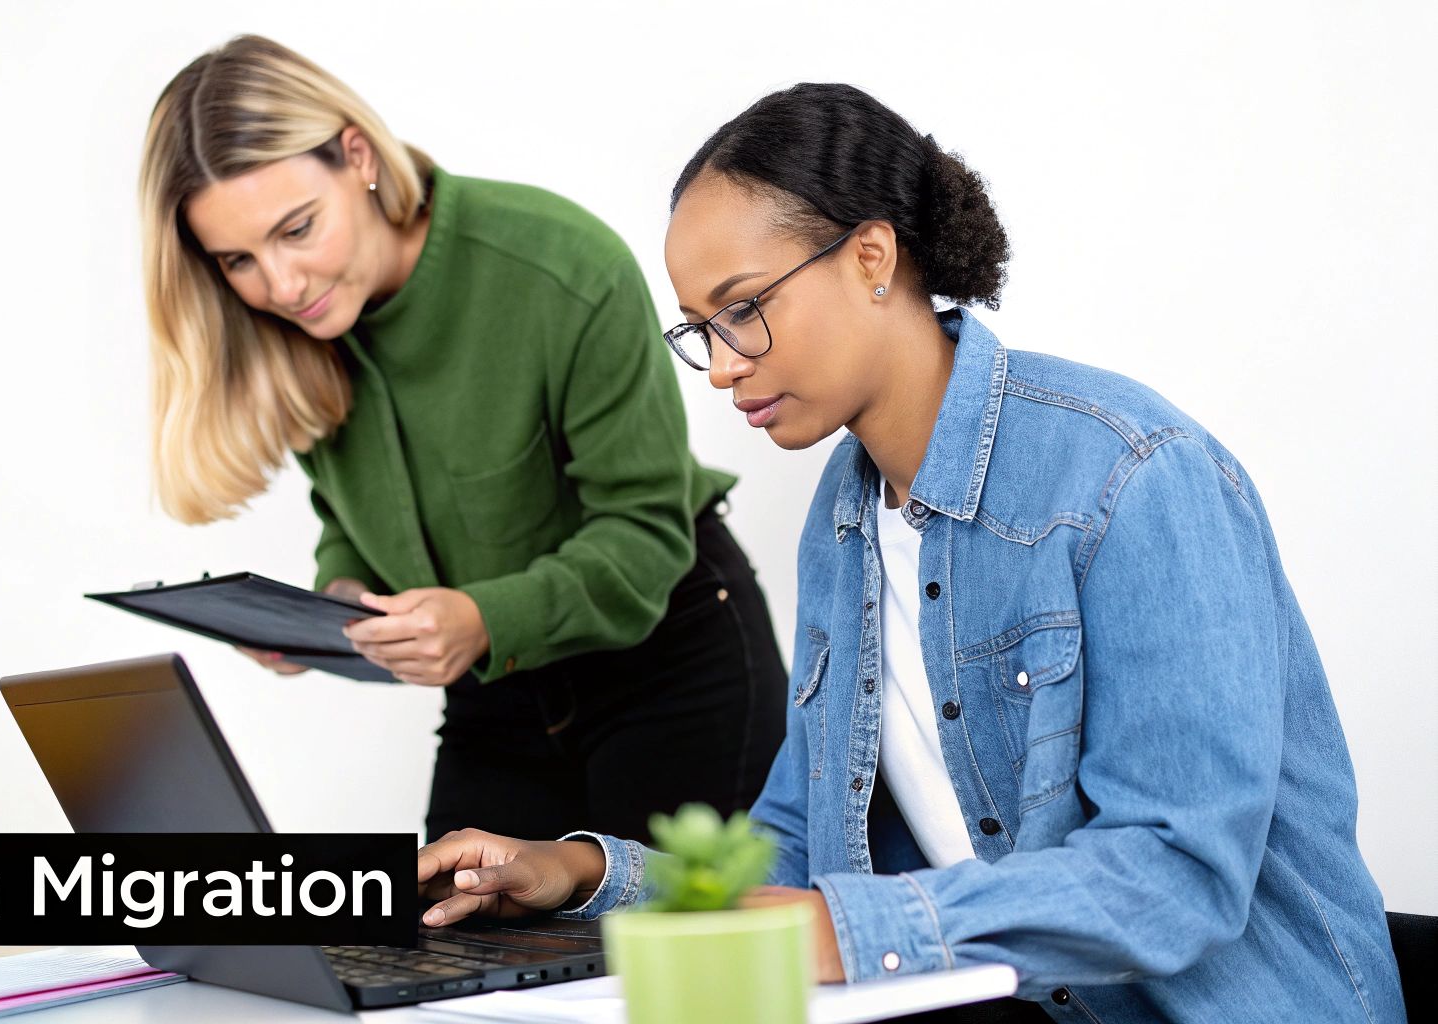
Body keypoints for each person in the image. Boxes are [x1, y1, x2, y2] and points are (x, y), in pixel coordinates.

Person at [414, 84, 1406, 1023]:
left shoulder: (1130, 475)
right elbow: (792, 853)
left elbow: (1176, 874)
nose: (718, 367)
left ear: (870, 257)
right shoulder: (840, 524)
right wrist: (586, 874)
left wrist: (841, 928)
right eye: (697, 331)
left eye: (742, 308)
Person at [136, 36, 787, 844]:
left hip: (673, 666)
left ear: (358, 155)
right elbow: (350, 516)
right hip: (499, 692)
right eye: (238, 259)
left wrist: (481, 618)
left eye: (297, 229)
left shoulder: (561, 268)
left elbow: (645, 535)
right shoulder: (292, 330)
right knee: (451, 943)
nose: (281, 285)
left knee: (663, 957)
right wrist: (334, 608)